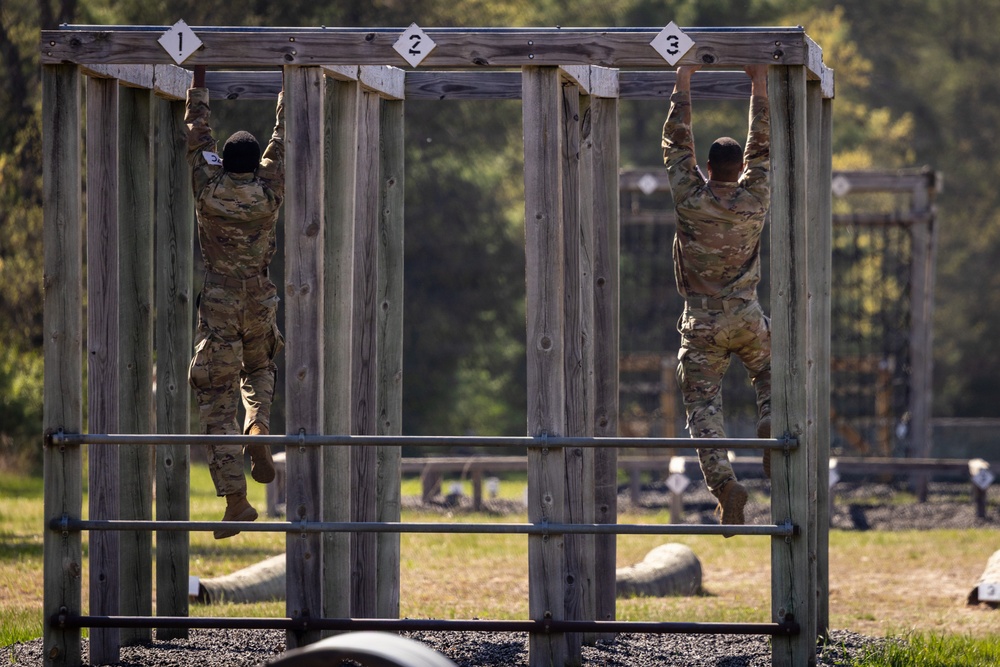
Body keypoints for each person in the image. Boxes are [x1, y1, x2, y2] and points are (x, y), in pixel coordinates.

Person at [661, 64, 772, 530]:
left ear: (707, 169)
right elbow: (762, 144)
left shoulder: (690, 198)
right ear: (741, 169)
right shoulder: (755, 197)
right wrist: (759, 83)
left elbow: (675, 142)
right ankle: (770, 417)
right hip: (747, 317)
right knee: (770, 372)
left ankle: (726, 486)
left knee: (703, 411)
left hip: (702, 322)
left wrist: (683, 76)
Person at [186, 65, 285, 539]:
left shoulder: (208, 190)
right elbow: (283, 136)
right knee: (260, 368)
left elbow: (196, 132)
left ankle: (236, 500)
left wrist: (197, 80)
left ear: (223, 163)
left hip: (220, 298)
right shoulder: (268, 193)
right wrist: (291, 80)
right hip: (260, 294)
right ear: (256, 164)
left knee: (214, 397)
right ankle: (260, 427)